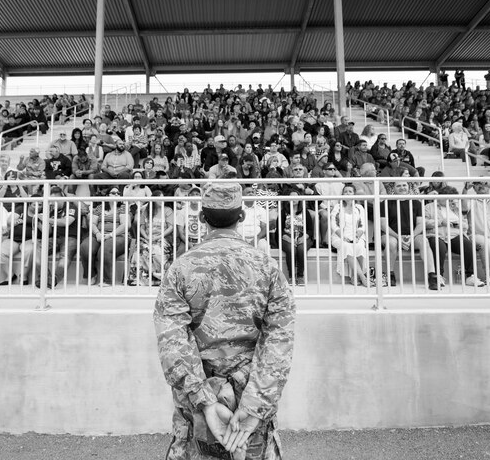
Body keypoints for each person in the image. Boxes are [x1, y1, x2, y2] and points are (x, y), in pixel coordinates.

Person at [154, 182, 295, 459]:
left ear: (202, 218)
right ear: (241, 216)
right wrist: (255, 405)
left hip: (199, 401)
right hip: (249, 395)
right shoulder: (267, 267)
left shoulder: (180, 268)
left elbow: (173, 342)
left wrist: (204, 401)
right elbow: (279, 342)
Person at [329, 183, 373, 286]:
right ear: (342, 194)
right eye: (345, 192)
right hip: (340, 237)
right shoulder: (338, 207)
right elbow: (334, 225)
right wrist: (343, 237)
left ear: (354, 194)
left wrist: (357, 237)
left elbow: (362, 225)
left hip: (357, 236)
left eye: (350, 191)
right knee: (347, 247)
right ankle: (363, 277)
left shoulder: (359, 207)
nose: (348, 193)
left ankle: (355, 276)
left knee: (360, 247)